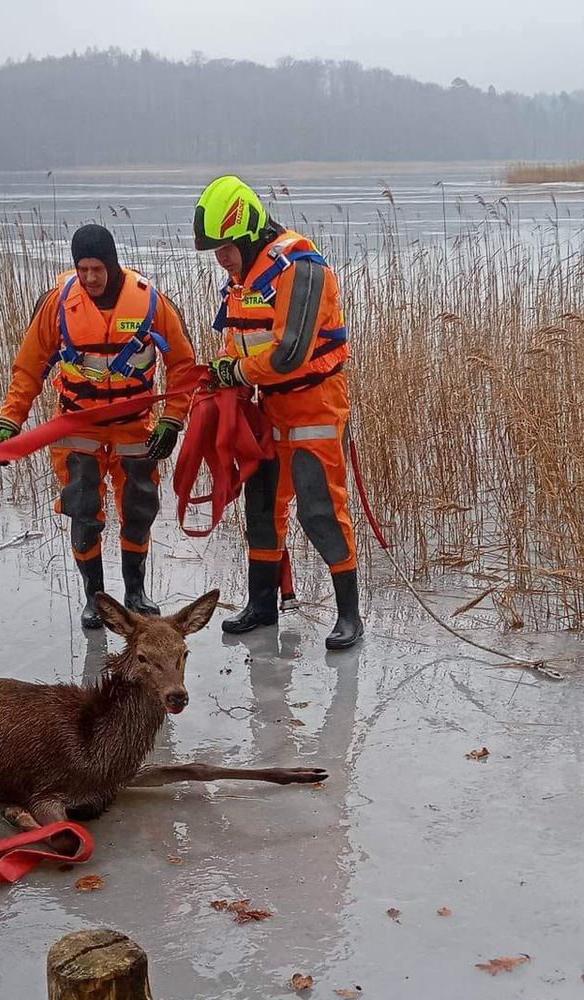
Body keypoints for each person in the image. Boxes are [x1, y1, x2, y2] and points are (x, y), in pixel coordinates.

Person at [0, 223, 202, 627]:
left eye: (97, 269)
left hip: (134, 427)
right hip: (78, 426)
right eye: (82, 269)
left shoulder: (151, 303)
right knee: (83, 509)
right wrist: (10, 420)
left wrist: (172, 420)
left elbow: (183, 366)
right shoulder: (58, 305)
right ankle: (94, 598)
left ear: (112, 264)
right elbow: (29, 367)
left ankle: (135, 593)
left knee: (138, 508)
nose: (89, 278)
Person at [193, 175, 363, 650]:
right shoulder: (242, 281)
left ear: (247, 231)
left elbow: (290, 354)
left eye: (225, 247)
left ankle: (349, 615)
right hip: (268, 414)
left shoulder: (301, 268)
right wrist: (226, 380)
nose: (220, 258)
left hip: (314, 409)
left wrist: (237, 372)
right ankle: (262, 605)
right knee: (264, 509)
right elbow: (239, 342)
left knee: (320, 510)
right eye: (216, 251)